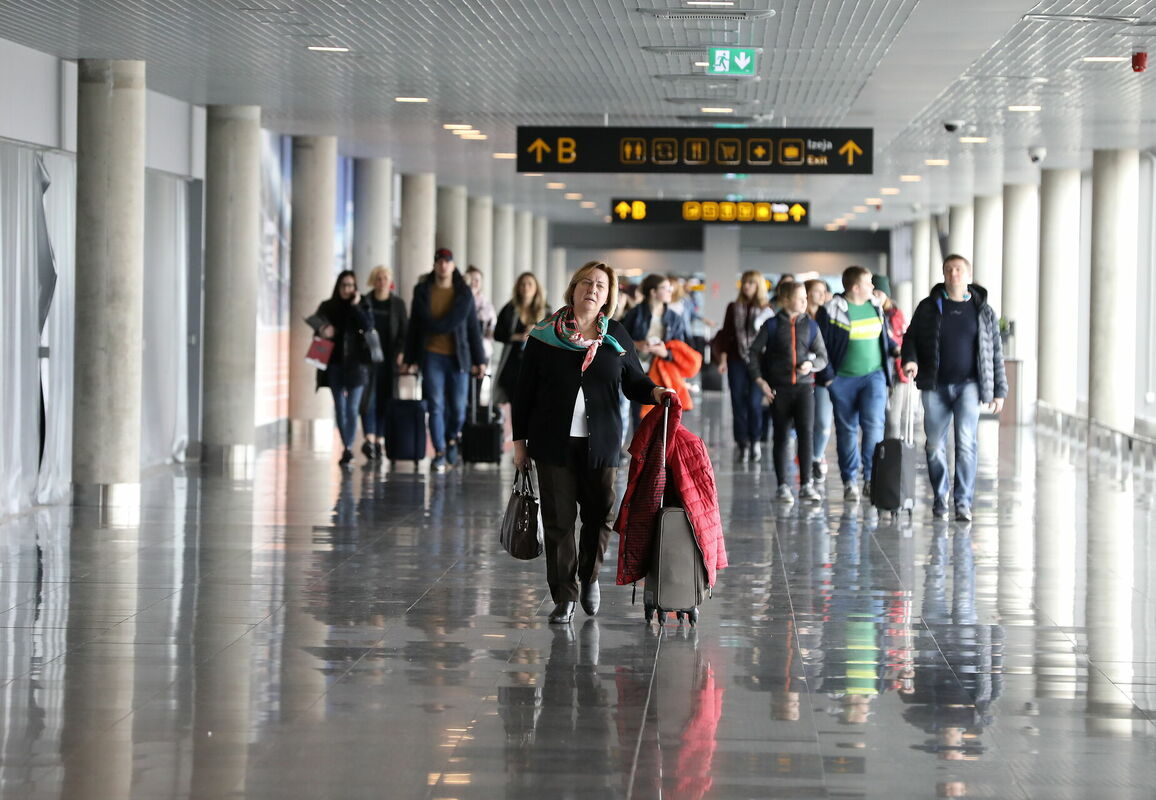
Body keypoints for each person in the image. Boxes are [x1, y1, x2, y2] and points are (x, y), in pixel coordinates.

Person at [512, 261, 671, 625]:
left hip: (601, 443)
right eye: (586, 282)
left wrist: (657, 392)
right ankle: (564, 595)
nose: (593, 289)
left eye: (600, 285)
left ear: (609, 296)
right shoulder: (543, 335)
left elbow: (635, 381)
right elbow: (524, 394)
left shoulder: (615, 335)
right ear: (573, 289)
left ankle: (590, 577)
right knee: (559, 520)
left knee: (600, 516)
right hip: (552, 442)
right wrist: (519, 443)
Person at [901, 254, 1007, 522]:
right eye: (948, 270)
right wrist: (911, 361)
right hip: (934, 385)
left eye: (958, 270)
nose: (953, 274)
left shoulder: (983, 311)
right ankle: (940, 496)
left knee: (966, 443)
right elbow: (910, 338)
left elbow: (994, 351)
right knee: (934, 446)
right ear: (943, 274)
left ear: (968, 275)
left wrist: (999, 391)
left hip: (969, 386)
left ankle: (962, 502)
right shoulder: (928, 307)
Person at [815, 266, 899, 502]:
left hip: (874, 377)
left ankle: (871, 478)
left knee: (874, 425)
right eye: (869, 282)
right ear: (855, 287)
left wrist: (895, 349)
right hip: (842, 379)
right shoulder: (831, 310)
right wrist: (829, 377)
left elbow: (884, 335)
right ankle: (850, 480)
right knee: (847, 430)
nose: (873, 287)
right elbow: (820, 345)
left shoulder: (875, 306)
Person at [402, 248, 488, 473]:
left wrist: (479, 359)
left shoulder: (463, 293)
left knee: (459, 408)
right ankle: (439, 451)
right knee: (436, 405)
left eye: (447, 262)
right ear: (434, 264)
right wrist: (409, 357)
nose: (443, 265)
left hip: (458, 357)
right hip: (431, 355)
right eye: (439, 261)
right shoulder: (422, 291)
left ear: (453, 265)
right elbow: (414, 327)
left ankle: (451, 439)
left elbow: (472, 329)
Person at [747, 281, 828, 503]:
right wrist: (760, 381)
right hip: (778, 389)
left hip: (804, 388)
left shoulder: (811, 326)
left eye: (805, 297)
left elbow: (822, 357)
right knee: (781, 436)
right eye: (800, 298)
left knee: (806, 435)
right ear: (786, 299)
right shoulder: (771, 325)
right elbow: (752, 353)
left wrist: (810, 365)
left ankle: (807, 485)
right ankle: (783, 485)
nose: (805, 301)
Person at [310, 270, 374, 466]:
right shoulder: (328, 306)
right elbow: (316, 326)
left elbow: (369, 326)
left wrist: (356, 307)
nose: (347, 289)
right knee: (340, 406)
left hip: (357, 364)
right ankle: (347, 448)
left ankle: (348, 446)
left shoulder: (362, 303)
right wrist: (322, 329)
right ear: (338, 286)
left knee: (353, 407)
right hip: (335, 363)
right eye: (344, 285)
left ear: (355, 288)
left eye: (350, 285)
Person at [715, 270, 773, 463]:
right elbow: (726, 335)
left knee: (754, 403)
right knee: (737, 402)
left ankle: (755, 440)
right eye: (744, 283)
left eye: (751, 283)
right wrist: (723, 360)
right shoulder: (733, 307)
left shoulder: (767, 308)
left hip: (759, 362)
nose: (747, 286)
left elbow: (770, 340)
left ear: (759, 286)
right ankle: (742, 444)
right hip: (736, 360)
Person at [621, 273, 689, 429]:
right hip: (637, 369)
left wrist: (664, 353)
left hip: (661, 371)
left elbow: (680, 350)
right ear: (653, 292)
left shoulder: (674, 318)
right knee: (639, 416)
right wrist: (636, 345)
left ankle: (656, 452)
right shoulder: (635, 313)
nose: (670, 291)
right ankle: (640, 452)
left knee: (661, 418)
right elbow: (620, 339)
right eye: (665, 288)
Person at [360, 265, 408, 461]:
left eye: (385, 278)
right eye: (378, 278)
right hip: (367, 359)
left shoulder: (398, 304)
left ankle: (380, 438)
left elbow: (405, 331)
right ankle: (369, 439)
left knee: (385, 399)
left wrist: (402, 353)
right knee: (367, 399)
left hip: (389, 360)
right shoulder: (365, 302)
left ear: (390, 281)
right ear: (373, 280)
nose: (382, 282)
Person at [494, 271, 546, 405]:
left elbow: (553, 335)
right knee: (515, 401)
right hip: (513, 364)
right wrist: (516, 337)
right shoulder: (509, 309)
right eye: (522, 284)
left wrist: (536, 331)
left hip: (536, 363)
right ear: (518, 287)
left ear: (536, 288)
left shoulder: (545, 310)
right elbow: (497, 333)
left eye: (529, 284)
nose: (526, 287)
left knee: (533, 401)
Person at [872, 274, 910, 440]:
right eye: (873, 292)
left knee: (893, 420)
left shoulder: (896, 315)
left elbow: (901, 342)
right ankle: (878, 457)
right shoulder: (870, 313)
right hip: (876, 371)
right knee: (876, 418)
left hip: (895, 373)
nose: (876, 297)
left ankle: (891, 457)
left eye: (879, 293)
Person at [805, 278, 834, 482]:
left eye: (824, 291)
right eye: (816, 291)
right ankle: (807, 459)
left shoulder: (829, 316)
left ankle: (816, 457)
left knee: (823, 424)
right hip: (801, 379)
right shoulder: (797, 317)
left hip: (823, 377)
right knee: (806, 424)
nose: (821, 295)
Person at [466, 265, 497, 362]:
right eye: (471, 279)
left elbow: (492, 328)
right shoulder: (459, 300)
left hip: (481, 348)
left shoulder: (487, 305)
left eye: (477, 280)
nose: (473, 282)